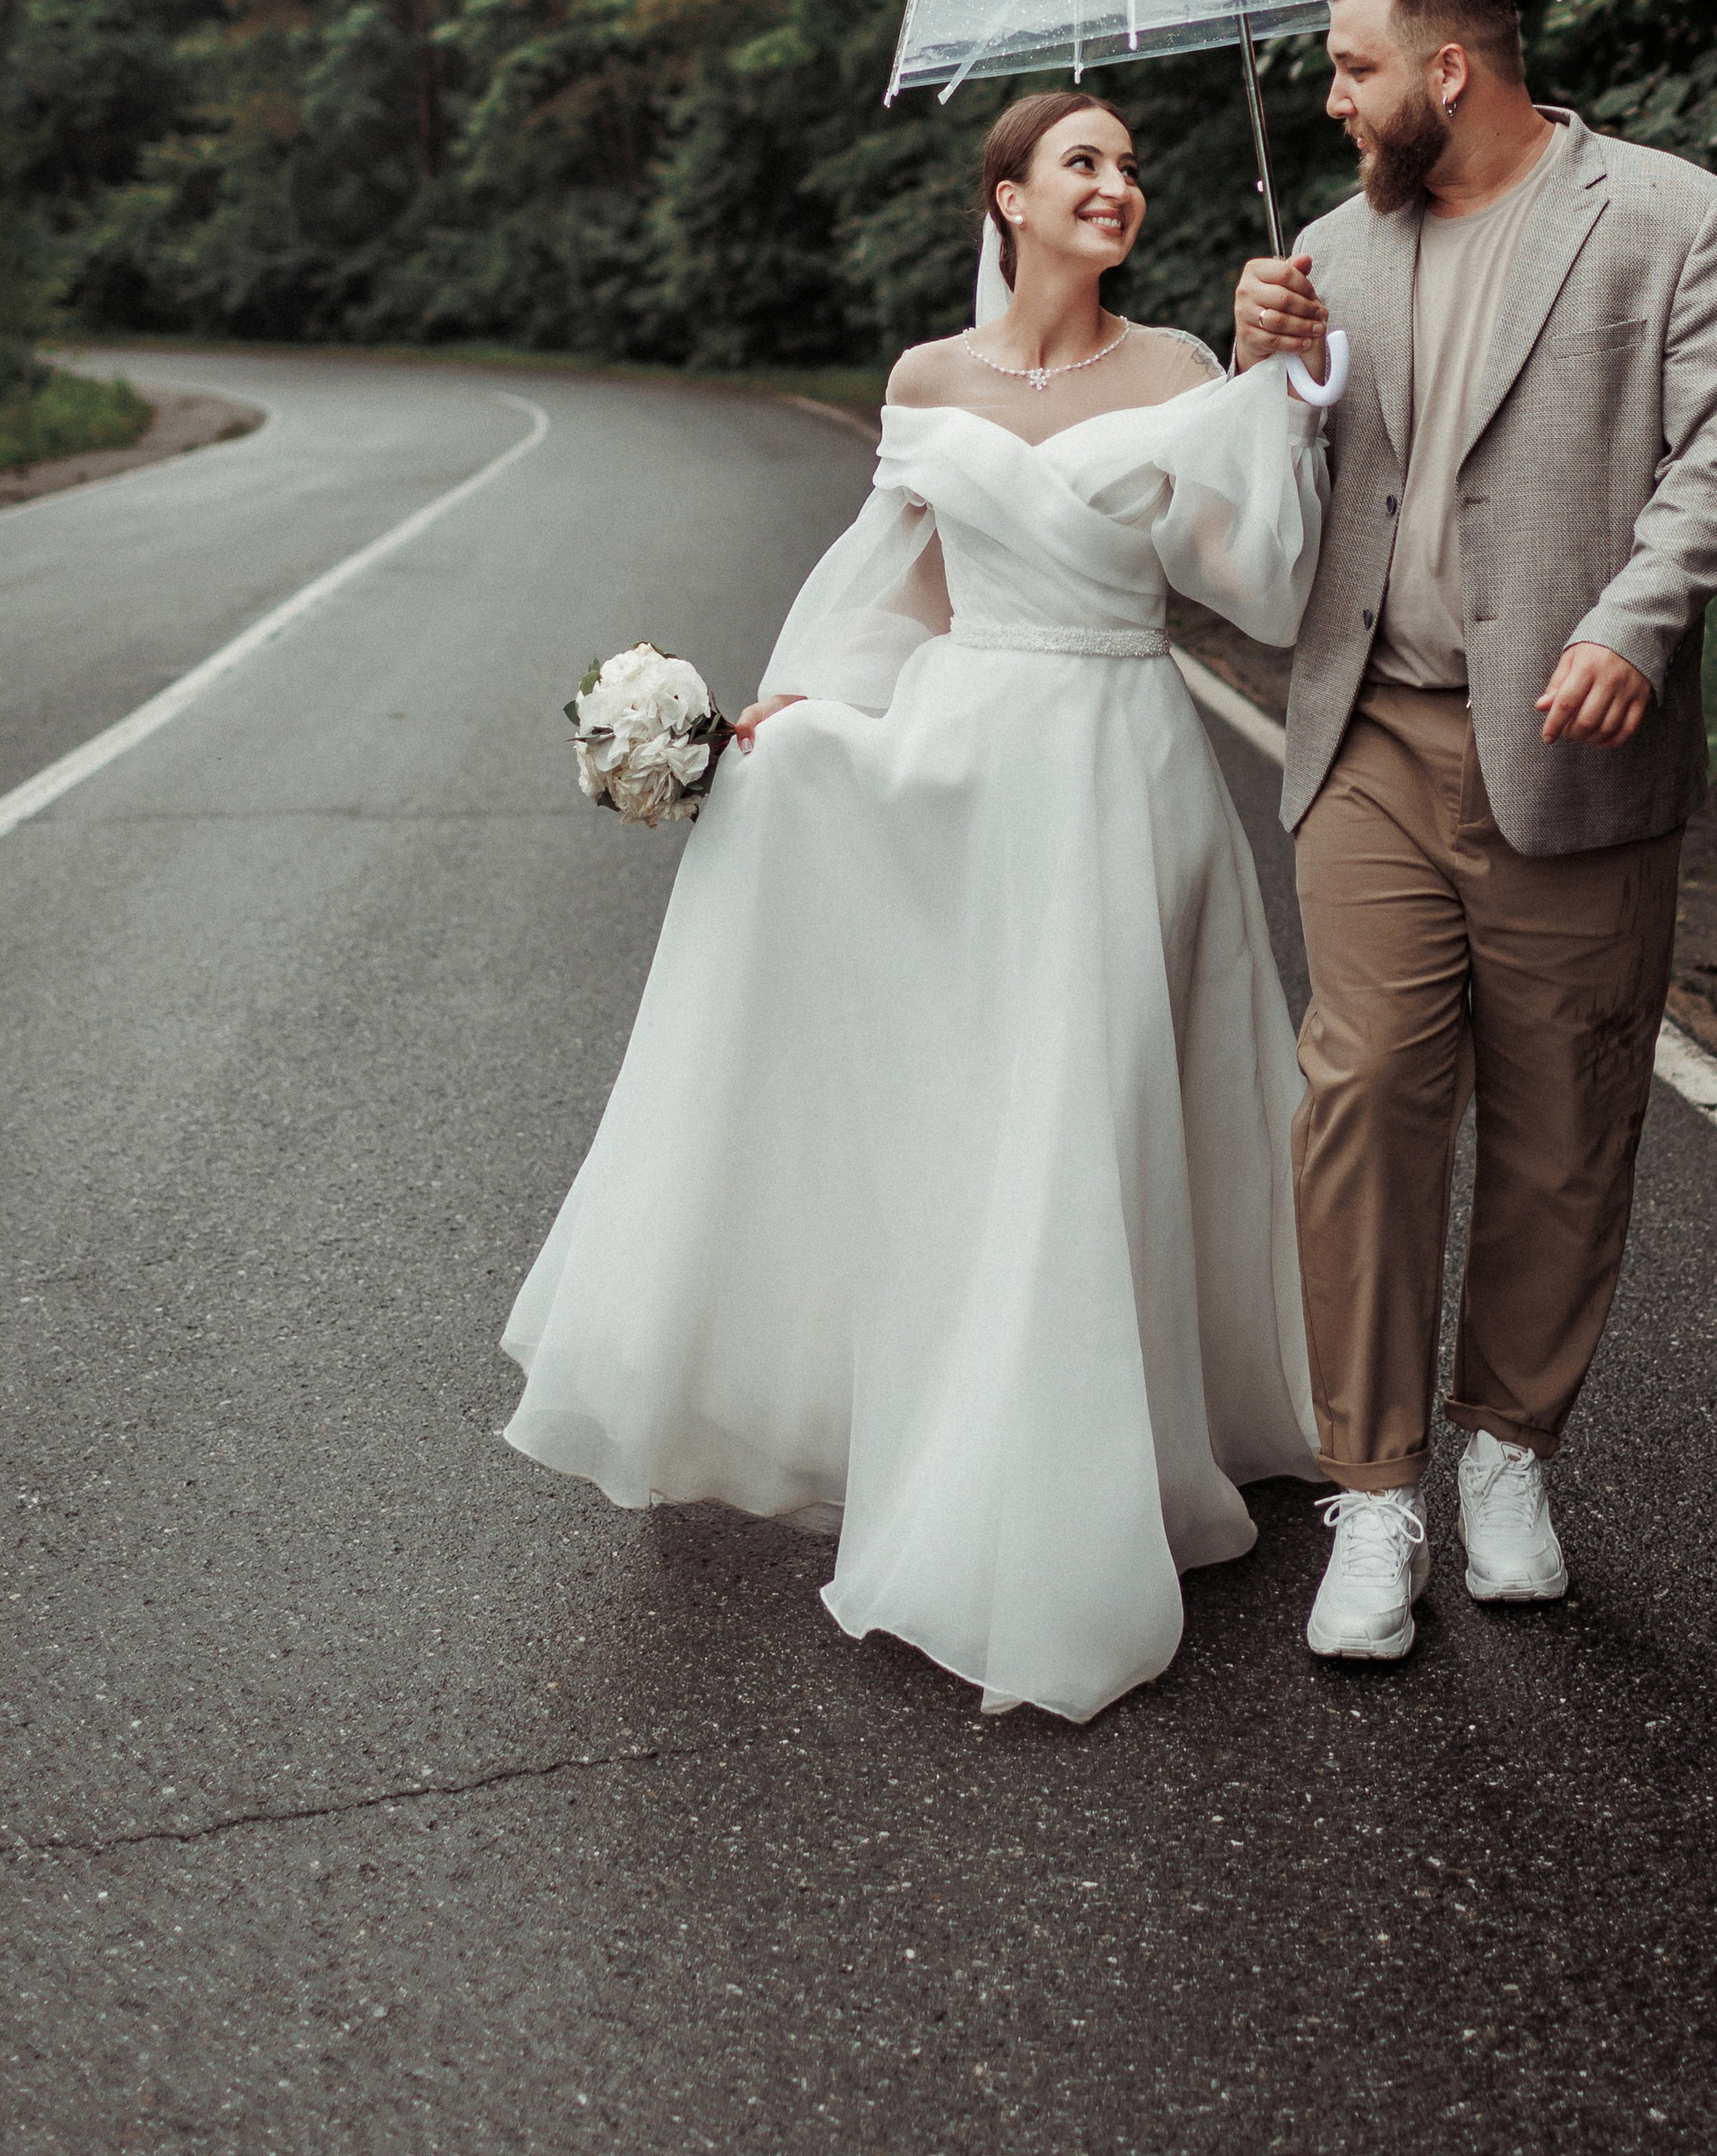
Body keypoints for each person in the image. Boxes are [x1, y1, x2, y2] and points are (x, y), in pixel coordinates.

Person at [504, 89, 1329, 1721]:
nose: (1118, 185)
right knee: (990, 1104)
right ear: (1008, 197)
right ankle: (971, 1428)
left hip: (1120, 762)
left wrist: (1272, 403)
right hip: (968, 752)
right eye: (1082, 162)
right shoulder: (928, 381)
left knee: (1098, 1097)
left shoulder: (1182, 368)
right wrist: (810, 710)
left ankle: (1118, 1444)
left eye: (1130, 167)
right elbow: (913, 585)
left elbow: (1259, 588)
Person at [1232, 0, 1717, 1658]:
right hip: (1370, 735)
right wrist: (1266, 374)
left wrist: (1634, 623)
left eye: (1356, 67)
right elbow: (1273, 497)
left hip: (1571, 740)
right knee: (1365, 1091)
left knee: (1567, 1115)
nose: (1335, 97)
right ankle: (1373, 1493)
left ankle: (1510, 1452)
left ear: (1450, 69)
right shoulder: (1329, 251)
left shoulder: (1676, 219)